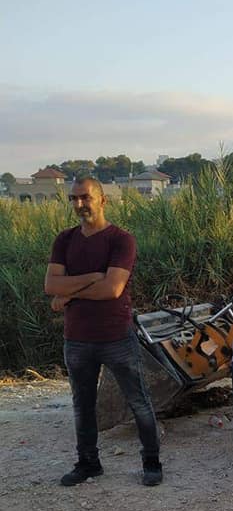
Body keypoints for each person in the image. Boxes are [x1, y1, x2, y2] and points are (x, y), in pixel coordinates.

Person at [45, 177, 163, 487]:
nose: (79, 204)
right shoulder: (65, 240)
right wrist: (93, 276)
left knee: (138, 400)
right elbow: (50, 286)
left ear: (102, 200)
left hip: (116, 336)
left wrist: (69, 293)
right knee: (82, 405)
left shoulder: (121, 240)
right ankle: (88, 464)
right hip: (77, 339)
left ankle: (151, 462)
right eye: (73, 199)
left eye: (85, 197)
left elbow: (113, 289)